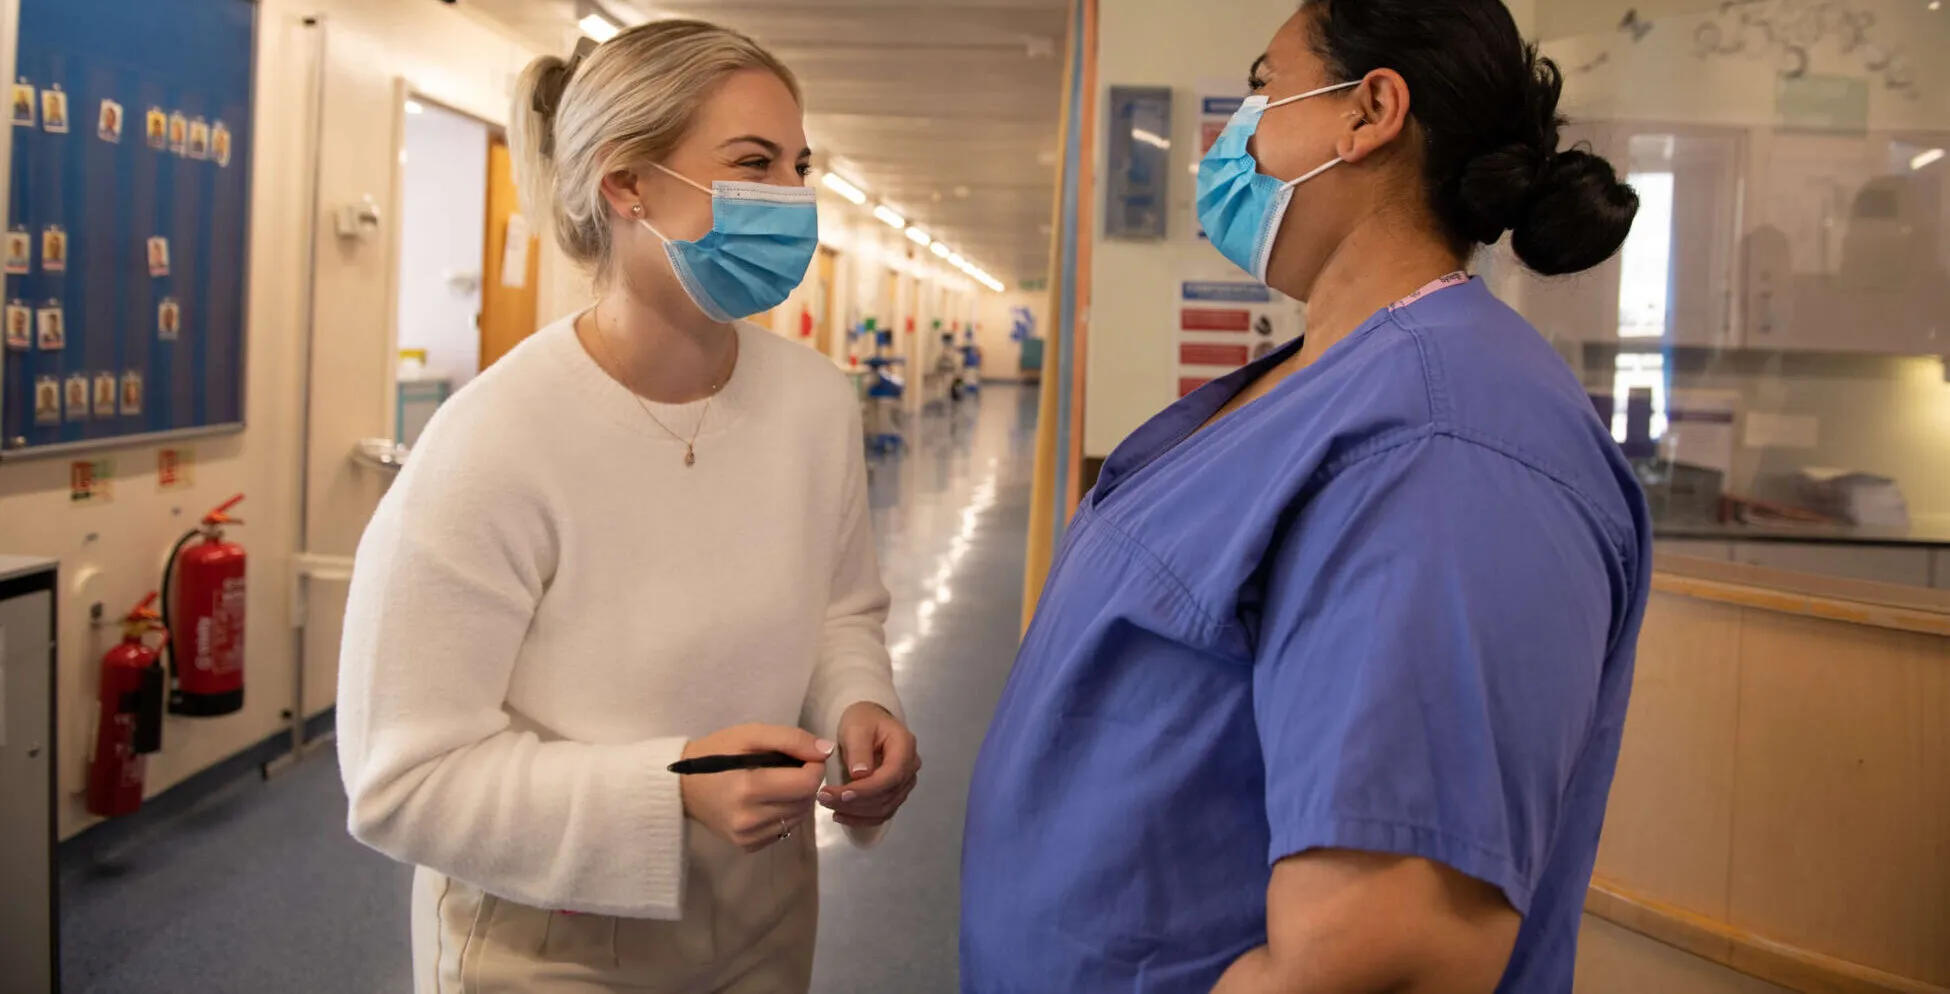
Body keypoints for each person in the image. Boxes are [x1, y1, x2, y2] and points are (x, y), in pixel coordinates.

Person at [962, 2, 1648, 991]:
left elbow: (1386, 952)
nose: (1236, 132)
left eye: (1264, 86)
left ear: (1368, 112)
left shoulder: (1448, 448)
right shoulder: (1337, 378)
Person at [336, 19, 921, 994]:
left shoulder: (816, 404)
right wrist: (675, 790)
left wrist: (861, 701)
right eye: (752, 165)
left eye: (799, 167)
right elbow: (403, 782)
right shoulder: (495, 441)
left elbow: (839, 609)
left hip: (766, 905)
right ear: (627, 184)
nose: (791, 200)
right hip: (554, 937)